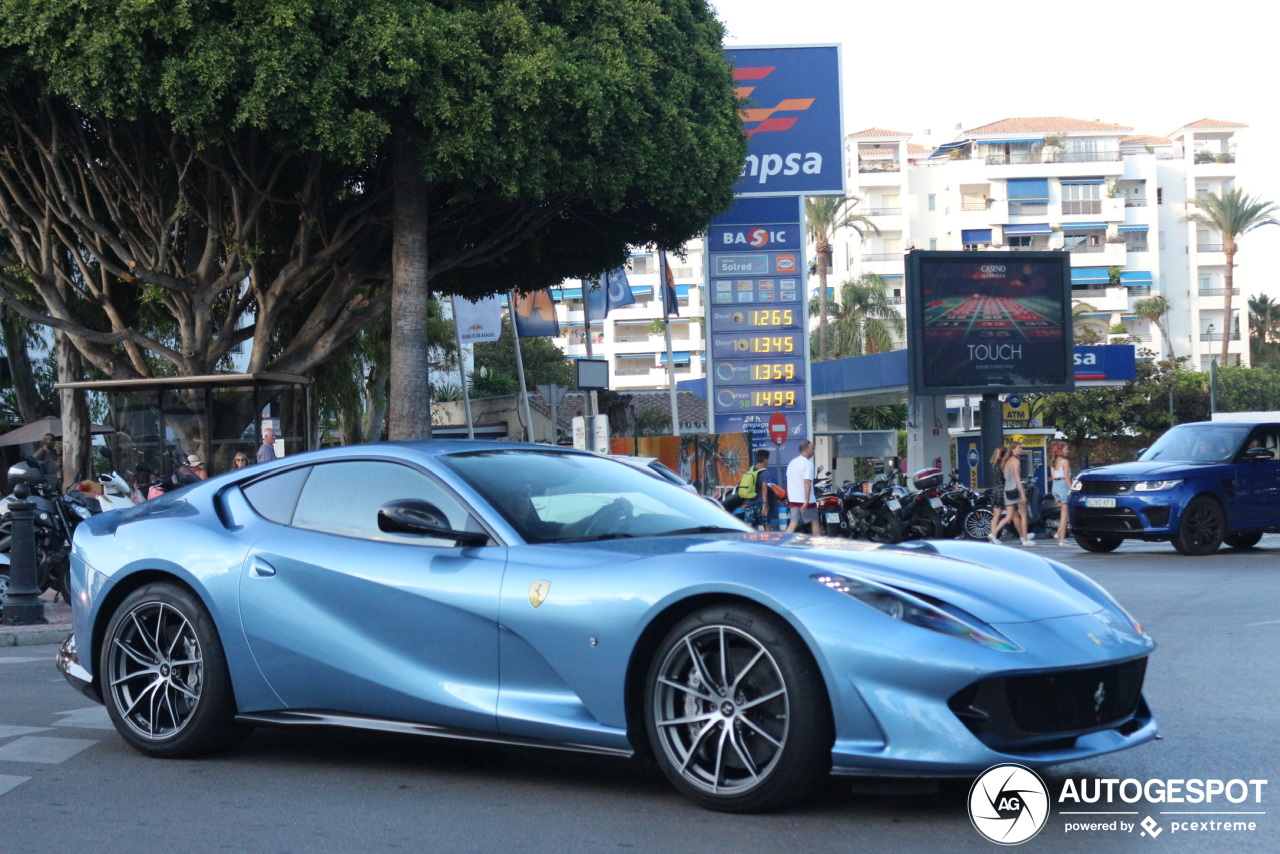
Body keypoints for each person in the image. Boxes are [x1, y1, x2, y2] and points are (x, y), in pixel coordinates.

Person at [990, 442, 1033, 546]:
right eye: (1019, 448)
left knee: (1008, 516)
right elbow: (1017, 477)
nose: (1021, 449)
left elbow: (1005, 476)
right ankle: (1025, 539)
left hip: (1007, 490)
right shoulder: (1016, 461)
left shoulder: (1006, 461)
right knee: (1023, 514)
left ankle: (994, 533)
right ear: (1013, 449)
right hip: (1015, 489)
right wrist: (1022, 492)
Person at [785, 440, 820, 535]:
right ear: (806, 449)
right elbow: (807, 482)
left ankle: (784, 544)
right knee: (815, 523)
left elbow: (789, 481)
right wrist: (806, 500)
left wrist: (788, 498)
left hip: (794, 499)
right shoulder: (808, 464)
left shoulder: (792, 463)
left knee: (793, 523)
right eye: (812, 448)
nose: (814, 451)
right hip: (806, 500)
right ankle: (818, 546)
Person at [741, 450, 773, 531]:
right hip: (760, 503)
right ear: (765, 459)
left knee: (749, 525)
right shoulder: (765, 472)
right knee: (766, 524)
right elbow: (764, 488)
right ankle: (769, 542)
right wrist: (764, 504)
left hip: (749, 502)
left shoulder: (749, 470)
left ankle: (750, 542)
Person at [1051, 442, 1072, 546]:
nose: (1067, 451)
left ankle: (1058, 533)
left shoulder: (1053, 462)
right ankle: (1062, 539)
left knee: (1063, 513)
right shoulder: (1065, 461)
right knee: (1064, 515)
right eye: (1066, 449)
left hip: (1055, 487)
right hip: (1063, 485)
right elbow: (1067, 478)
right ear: (1061, 450)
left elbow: (1053, 478)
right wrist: (1072, 489)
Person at [987, 446, 1007, 543]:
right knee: (1012, 513)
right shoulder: (1003, 465)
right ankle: (1023, 534)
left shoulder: (994, 464)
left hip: (996, 489)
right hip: (1004, 489)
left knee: (996, 515)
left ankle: (993, 535)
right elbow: (1006, 478)